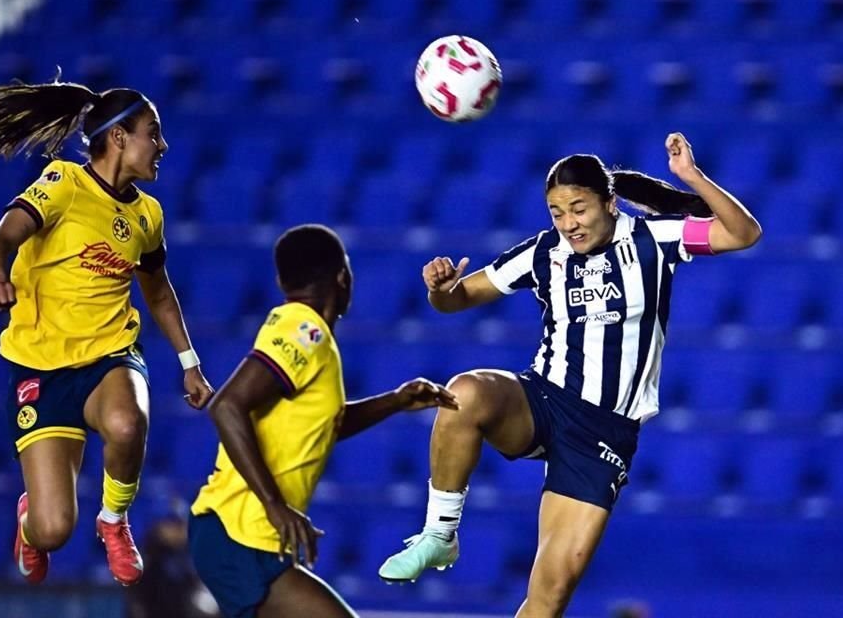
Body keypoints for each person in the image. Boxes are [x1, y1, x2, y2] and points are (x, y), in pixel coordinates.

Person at [378, 133, 762, 617]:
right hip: (543, 399)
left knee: (550, 595)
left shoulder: (654, 239)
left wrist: (691, 178)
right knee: (465, 393)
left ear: (609, 201)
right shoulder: (542, 253)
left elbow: (744, 234)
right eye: (557, 213)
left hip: (602, 434)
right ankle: (439, 534)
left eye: (578, 209)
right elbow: (457, 300)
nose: (569, 224)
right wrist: (439, 289)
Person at [0, 76, 214, 586]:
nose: (163, 146)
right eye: (155, 133)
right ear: (120, 138)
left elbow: (157, 291)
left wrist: (189, 363)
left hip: (110, 355)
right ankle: (29, 521)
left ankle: (114, 519)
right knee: (54, 528)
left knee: (129, 423)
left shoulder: (147, 215)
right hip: (42, 366)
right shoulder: (64, 184)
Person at [187, 224, 459, 618]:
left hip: (245, 536)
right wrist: (275, 505)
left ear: (282, 280)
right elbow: (226, 406)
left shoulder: (313, 339)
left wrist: (396, 401)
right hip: (239, 531)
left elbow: (326, 425)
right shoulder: (305, 330)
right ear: (343, 278)